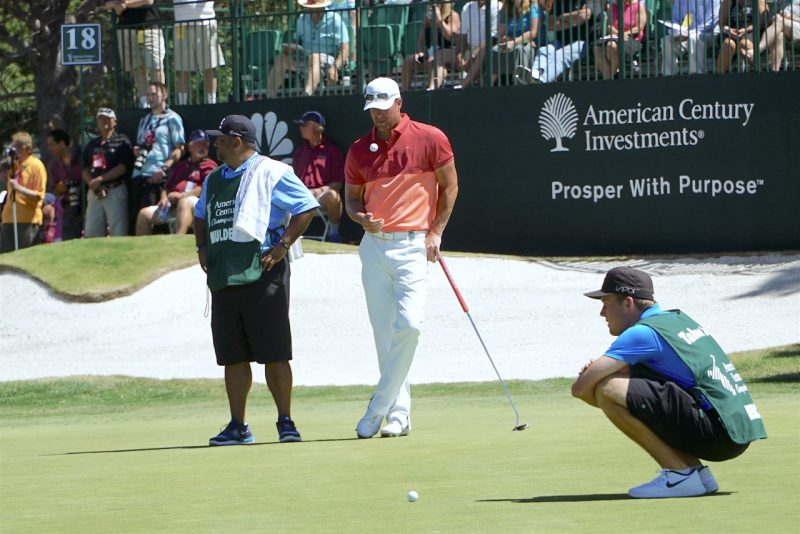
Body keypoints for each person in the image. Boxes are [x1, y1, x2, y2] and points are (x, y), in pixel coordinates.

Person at [573, 266, 767, 498]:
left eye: (606, 303)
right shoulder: (676, 321)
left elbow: (580, 389)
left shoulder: (641, 334)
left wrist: (607, 392)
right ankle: (695, 473)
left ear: (628, 302)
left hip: (718, 433)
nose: (602, 313)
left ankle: (679, 475)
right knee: (620, 383)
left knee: (608, 388)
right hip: (733, 431)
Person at [194, 115, 319, 445]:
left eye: (220, 139)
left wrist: (283, 246)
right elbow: (199, 215)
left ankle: (286, 422)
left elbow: (306, 207)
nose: (214, 144)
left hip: (264, 269)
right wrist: (202, 247)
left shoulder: (272, 171)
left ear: (236, 141)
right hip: (225, 274)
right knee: (233, 355)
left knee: (275, 351)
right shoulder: (214, 178)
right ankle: (238, 425)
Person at [344, 77, 459, 439]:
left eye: (382, 107)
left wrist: (436, 232)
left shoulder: (430, 137)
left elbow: (450, 186)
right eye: (371, 108)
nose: (377, 114)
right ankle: (399, 413)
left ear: (398, 102)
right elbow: (351, 200)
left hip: (413, 245)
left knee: (409, 325)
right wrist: (359, 217)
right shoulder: (359, 149)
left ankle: (376, 408)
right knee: (384, 334)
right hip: (374, 245)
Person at [136, 129, 217, 235]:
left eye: (205, 144)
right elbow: (166, 188)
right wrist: (164, 199)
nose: (202, 147)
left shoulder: (210, 165)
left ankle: (178, 240)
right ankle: (142, 250)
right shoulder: (181, 166)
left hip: (197, 206)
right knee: (144, 214)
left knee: (185, 202)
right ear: (190, 147)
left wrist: (182, 195)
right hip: (172, 206)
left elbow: (206, 187)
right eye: (198, 143)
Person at [131, 81, 185, 233]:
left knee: (156, 225)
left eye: (154, 94)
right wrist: (137, 150)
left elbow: (180, 148)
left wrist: (164, 169)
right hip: (139, 175)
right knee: (137, 219)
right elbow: (143, 145)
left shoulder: (172, 118)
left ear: (164, 95)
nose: (150, 97)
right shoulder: (143, 120)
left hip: (158, 177)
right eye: (148, 94)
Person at [268, 0, 349, 97]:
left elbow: (345, 49)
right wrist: (290, 48)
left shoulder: (335, 20)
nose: (312, 10)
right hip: (304, 59)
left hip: (328, 60)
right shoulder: (302, 19)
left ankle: (307, 95)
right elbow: (296, 42)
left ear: (323, 7)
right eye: (311, 6)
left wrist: (335, 67)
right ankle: (269, 97)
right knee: (280, 59)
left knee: (314, 57)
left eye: (316, 7)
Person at [463, 0, 544, 87]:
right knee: (493, 50)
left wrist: (514, 42)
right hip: (510, 43)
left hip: (528, 44)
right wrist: (509, 40)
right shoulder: (505, 10)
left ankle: (519, 83)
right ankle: (482, 85)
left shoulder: (533, 7)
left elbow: (533, 32)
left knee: (520, 49)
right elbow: (501, 35)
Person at [291, 111, 344, 243]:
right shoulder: (299, 153)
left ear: (316, 127)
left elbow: (338, 184)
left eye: (304, 125)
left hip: (320, 197)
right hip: (300, 197)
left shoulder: (332, 151)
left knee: (333, 195)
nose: (300, 128)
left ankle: (333, 234)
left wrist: (317, 191)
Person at [82, 108, 135, 238]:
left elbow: (122, 168)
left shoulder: (122, 141)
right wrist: (93, 184)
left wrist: (100, 179)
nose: (103, 121)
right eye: (101, 118)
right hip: (94, 193)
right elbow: (84, 168)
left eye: (107, 118)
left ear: (114, 121)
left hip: (115, 190)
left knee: (118, 232)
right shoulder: (92, 145)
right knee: (91, 233)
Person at [521, 0, 600, 83]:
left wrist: (560, 18)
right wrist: (574, 19)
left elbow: (584, 16)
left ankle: (541, 81)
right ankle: (535, 75)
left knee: (560, 55)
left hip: (584, 42)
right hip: (561, 42)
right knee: (544, 50)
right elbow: (550, 24)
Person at [105, 0, 165, 109]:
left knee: (155, 67)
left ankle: (160, 103)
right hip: (125, 28)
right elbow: (108, 4)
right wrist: (116, 5)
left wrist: (124, 5)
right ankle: (144, 103)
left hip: (149, 26)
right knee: (136, 68)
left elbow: (148, 0)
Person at [0, 132, 47, 253]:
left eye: (15, 147)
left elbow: (39, 196)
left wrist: (19, 188)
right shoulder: (14, 166)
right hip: (9, 219)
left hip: (27, 221)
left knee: (25, 257)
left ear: (25, 148)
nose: (13, 151)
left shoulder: (36, 166)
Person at [401, 2, 462, 91]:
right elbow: (421, 41)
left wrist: (439, 20)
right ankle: (404, 92)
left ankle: (431, 91)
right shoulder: (428, 18)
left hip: (450, 52)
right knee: (409, 60)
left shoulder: (453, 15)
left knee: (434, 60)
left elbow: (450, 37)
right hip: (433, 52)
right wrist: (422, 52)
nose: (435, 4)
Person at [173, 0, 225, 105]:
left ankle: (212, 103)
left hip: (205, 22)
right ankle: (182, 104)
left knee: (209, 66)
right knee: (182, 68)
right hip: (181, 24)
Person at [660, 0, 721, 76]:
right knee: (667, 41)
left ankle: (696, 75)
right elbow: (675, 20)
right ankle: (668, 75)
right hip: (686, 35)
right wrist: (678, 33)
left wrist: (690, 34)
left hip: (710, 34)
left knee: (693, 38)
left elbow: (711, 21)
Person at [44, 129, 84, 242]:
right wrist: (59, 188)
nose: (49, 148)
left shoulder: (81, 156)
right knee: (69, 241)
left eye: (52, 144)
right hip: (69, 207)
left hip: (87, 203)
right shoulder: (54, 165)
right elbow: (55, 192)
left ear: (62, 143)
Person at [594, 0, 648, 79]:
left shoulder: (639, 6)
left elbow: (639, 27)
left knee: (611, 45)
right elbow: (609, 26)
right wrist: (619, 34)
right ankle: (609, 78)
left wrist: (624, 34)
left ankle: (614, 76)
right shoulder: (613, 7)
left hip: (632, 39)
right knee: (597, 48)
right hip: (615, 36)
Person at [748, 0, 800, 71]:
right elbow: (770, 21)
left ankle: (756, 50)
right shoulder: (779, 1)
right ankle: (775, 71)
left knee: (780, 22)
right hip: (784, 27)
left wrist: (789, 17)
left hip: (797, 26)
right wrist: (775, 17)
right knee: (778, 35)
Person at [716, 0, 767, 73]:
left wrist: (747, 30)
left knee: (744, 44)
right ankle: (718, 78)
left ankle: (762, 73)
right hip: (731, 33)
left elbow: (763, 21)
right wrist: (728, 29)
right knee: (728, 45)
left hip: (752, 32)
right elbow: (722, 22)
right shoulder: (728, 1)